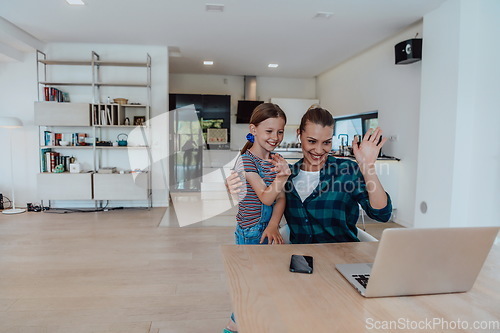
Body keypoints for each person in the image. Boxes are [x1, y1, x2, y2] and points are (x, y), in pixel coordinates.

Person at [226, 105, 392, 245]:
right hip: (302, 263)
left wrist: (368, 168)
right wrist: (233, 183)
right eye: (312, 141)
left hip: (342, 257)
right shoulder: (287, 174)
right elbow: (264, 197)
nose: (319, 150)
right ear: (300, 135)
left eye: (326, 142)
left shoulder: (347, 170)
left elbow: (381, 214)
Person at [224, 103, 291, 333]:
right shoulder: (246, 160)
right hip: (250, 232)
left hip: (267, 230)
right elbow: (265, 196)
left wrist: (273, 225)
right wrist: (282, 176)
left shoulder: (274, 159)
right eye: (269, 131)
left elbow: (280, 198)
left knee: (263, 283)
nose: (276, 137)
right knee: (252, 286)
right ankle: (234, 326)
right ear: (253, 129)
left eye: (280, 131)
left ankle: (250, 324)